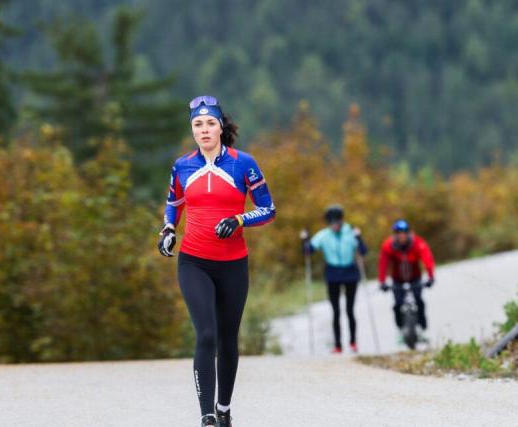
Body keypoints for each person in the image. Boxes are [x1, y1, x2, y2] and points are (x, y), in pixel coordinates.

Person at [157, 95, 275, 427]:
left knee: (227, 338)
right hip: (194, 262)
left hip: (233, 264)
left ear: (221, 127)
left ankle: (224, 409)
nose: (204, 130)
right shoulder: (182, 166)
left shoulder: (243, 163)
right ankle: (207, 416)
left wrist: (239, 220)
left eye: (210, 123)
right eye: (198, 124)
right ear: (192, 129)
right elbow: (173, 203)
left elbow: (268, 209)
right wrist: (168, 229)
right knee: (206, 334)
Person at [301, 204, 368, 353]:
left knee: (350, 310)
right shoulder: (324, 235)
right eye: (331, 222)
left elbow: (363, 251)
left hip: (350, 273)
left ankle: (353, 342)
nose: (335, 225)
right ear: (328, 222)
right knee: (336, 311)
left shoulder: (351, 232)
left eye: (337, 221)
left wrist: (359, 237)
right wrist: (305, 240)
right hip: (333, 274)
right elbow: (308, 251)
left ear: (342, 220)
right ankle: (338, 345)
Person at [378, 219, 435, 336]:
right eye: (398, 234)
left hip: (415, 278)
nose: (401, 236)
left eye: (404, 233)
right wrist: (382, 281)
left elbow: (427, 258)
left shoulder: (417, 243)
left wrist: (430, 276)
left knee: (419, 301)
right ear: (395, 235)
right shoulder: (388, 246)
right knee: (397, 304)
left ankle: (423, 327)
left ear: (408, 233)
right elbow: (383, 263)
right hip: (397, 280)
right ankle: (400, 329)